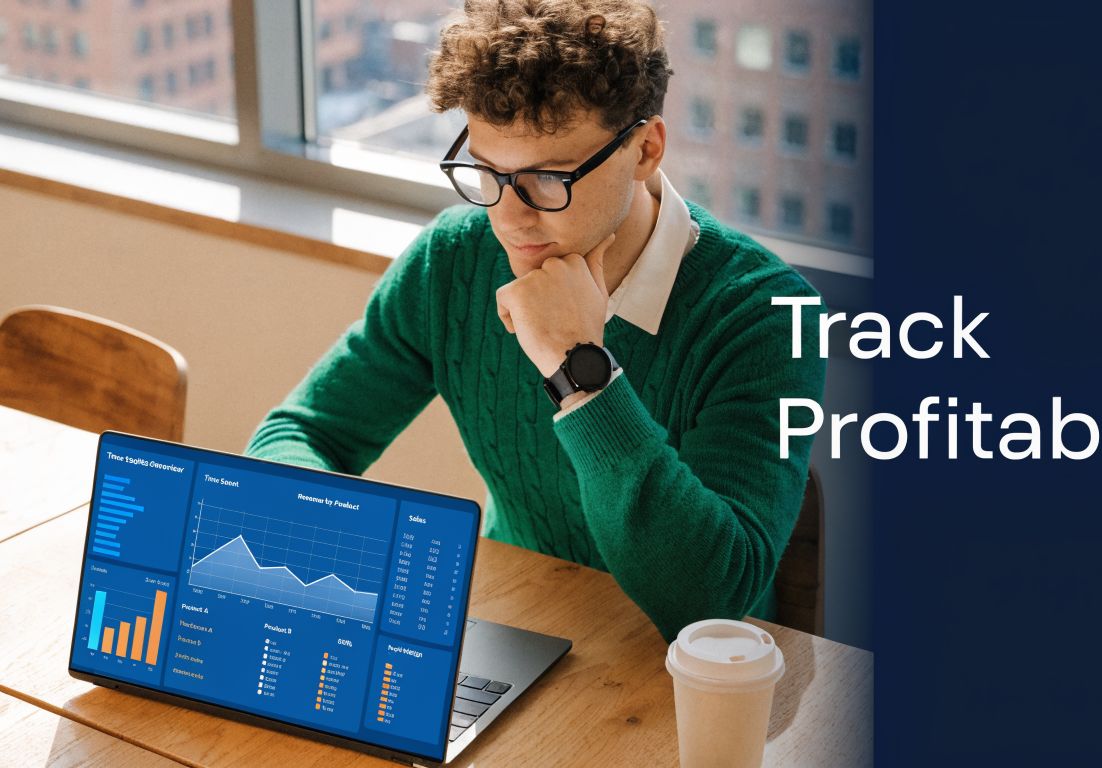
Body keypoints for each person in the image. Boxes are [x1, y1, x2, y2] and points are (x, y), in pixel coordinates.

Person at [246, 0, 826, 642]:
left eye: (548, 180)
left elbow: (709, 600)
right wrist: (358, 557)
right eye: (487, 173)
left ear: (645, 150)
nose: (511, 218)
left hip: (687, 682)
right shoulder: (453, 261)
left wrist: (582, 372)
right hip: (512, 628)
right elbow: (303, 435)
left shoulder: (762, 314)